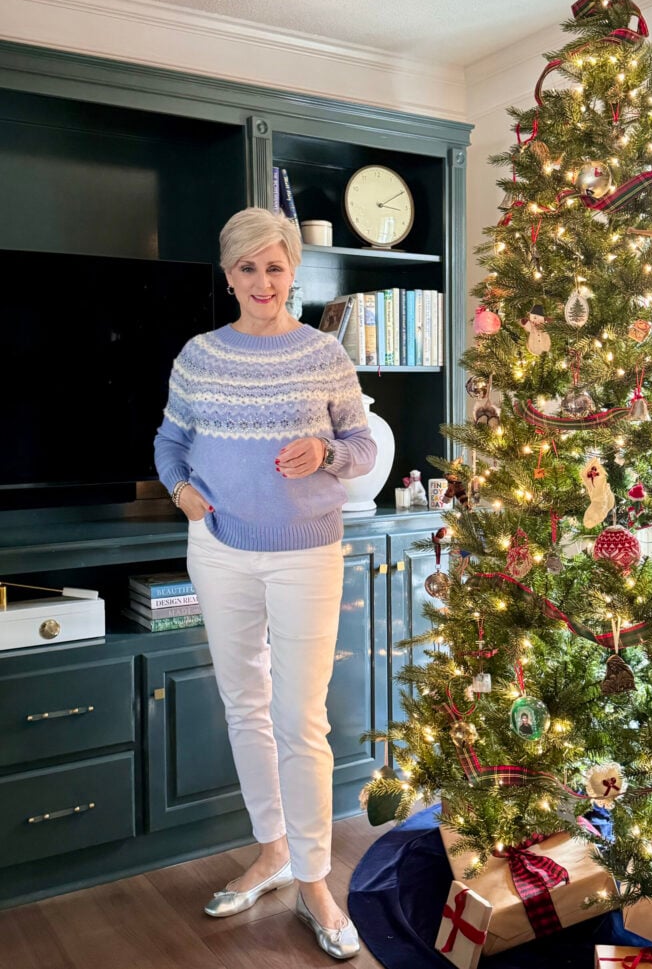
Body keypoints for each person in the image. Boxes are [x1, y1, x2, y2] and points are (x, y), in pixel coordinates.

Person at [154, 207, 377, 960]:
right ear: (229, 275)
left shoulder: (323, 354)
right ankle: (273, 850)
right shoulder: (198, 356)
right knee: (244, 704)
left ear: (292, 272)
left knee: (299, 716)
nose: (261, 281)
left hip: (307, 552)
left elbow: (362, 445)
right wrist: (180, 489)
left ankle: (315, 881)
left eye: (274, 266)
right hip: (218, 548)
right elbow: (170, 439)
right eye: (246, 267)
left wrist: (325, 452)